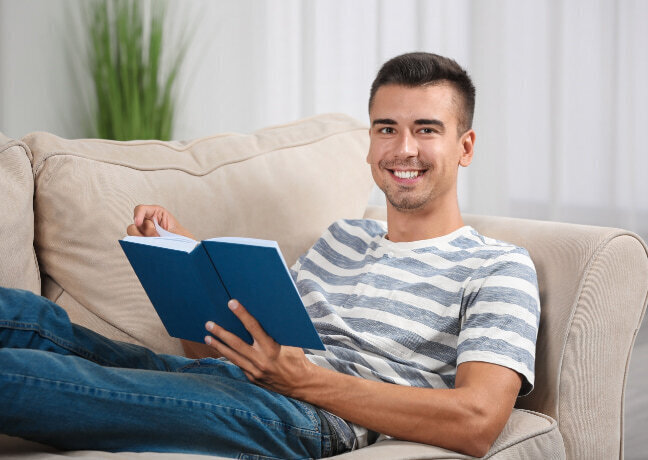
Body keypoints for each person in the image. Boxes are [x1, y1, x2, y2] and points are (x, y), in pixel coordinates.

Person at [0, 52, 539, 459]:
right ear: (371, 142)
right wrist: (188, 263)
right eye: (386, 129)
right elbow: (221, 355)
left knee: (19, 378)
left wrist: (304, 381)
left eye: (427, 130)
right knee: (26, 318)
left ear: (465, 147)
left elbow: (478, 420)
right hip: (239, 387)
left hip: (306, 417)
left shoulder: (498, 267)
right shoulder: (340, 239)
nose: (403, 149)